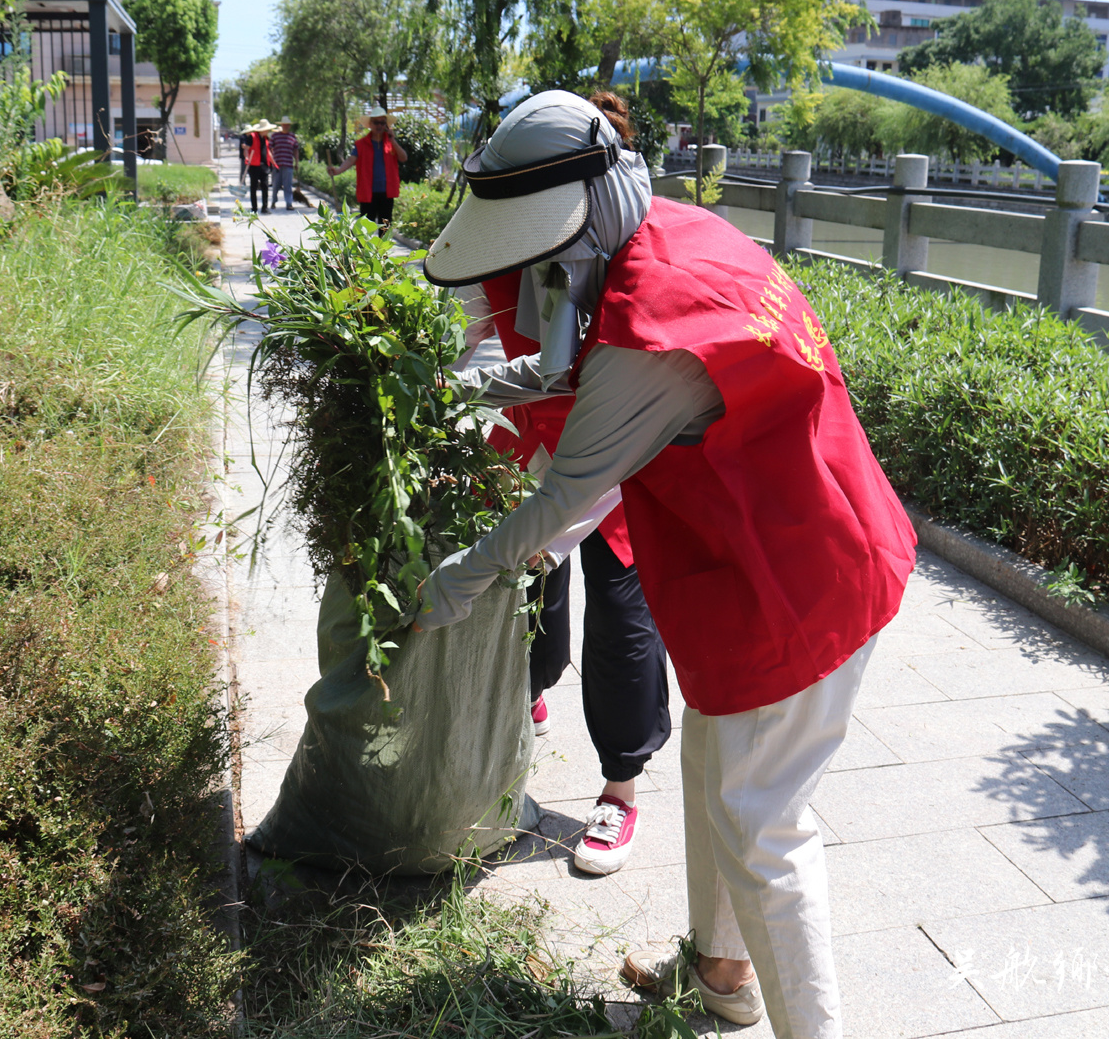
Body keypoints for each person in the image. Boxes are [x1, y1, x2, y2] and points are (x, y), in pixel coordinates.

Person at [416, 90, 916, 1038]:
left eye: (536, 252)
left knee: (763, 828)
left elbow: (566, 497)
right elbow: (570, 370)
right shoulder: (668, 235)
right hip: (781, 542)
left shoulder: (655, 327)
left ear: (582, 216)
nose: (529, 279)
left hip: (798, 577)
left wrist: (455, 584)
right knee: (718, 780)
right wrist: (459, 383)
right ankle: (720, 978)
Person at [453, 267, 670, 878]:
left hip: (619, 443)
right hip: (532, 435)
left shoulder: (621, 237)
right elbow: (459, 333)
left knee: (622, 614)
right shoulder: (492, 241)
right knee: (524, 587)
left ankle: (619, 790)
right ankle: (531, 687)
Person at [328, 111, 407, 231]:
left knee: (385, 227)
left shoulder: (391, 143)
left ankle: (381, 250)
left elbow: (403, 158)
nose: (379, 125)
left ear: (386, 125)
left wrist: (393, 141)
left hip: (387, 192)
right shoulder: (361, 144)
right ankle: (364, 250)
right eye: (376, 122)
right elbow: (350, 160)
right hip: (367, 192)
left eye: (382, 123)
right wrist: (337, 170)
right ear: (370, 124)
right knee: (365, 228)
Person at [243, 119, 276, 214]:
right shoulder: (252, 137)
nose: (268, 131)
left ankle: (264, 207)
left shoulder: (266, 139)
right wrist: (247, 158)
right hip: (254, 166)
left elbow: (268, 151)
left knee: (265, 186)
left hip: (264, 166)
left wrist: (273, 162)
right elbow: (246, 148)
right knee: (253, 187)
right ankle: (254, 208)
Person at [269, 117, 300, 212]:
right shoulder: (275, 136)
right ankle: (273, 201)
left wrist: (297, 162)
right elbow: (269, 148)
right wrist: (271, 160)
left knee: (288, 185)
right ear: (281, 125)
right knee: (275, 185)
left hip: (288, 164)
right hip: (277, 165)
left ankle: (289, 203)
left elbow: (296, 150)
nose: (286, 126)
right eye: (284, 124)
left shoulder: (292, 137)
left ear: (289, 126)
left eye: (287, 125)